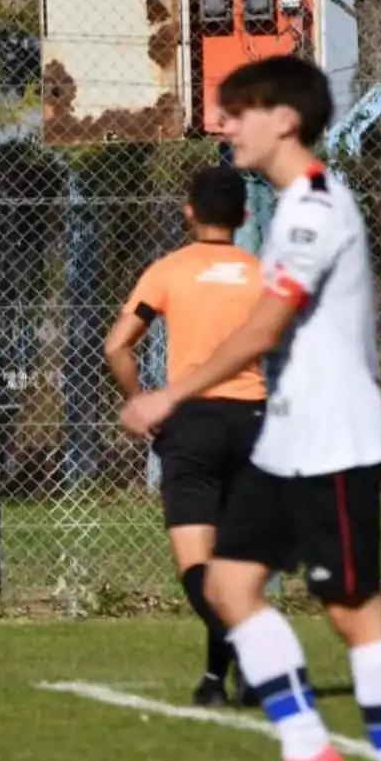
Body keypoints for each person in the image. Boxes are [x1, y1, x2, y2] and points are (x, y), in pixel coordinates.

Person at [122, 55, 381, 761]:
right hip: (284, 439)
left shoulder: (315, 208)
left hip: (332, 440)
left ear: (284, 120)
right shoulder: (289, 210)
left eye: (238, 110)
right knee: (228, 587)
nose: (223, 124)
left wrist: (170, 393)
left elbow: (264, 327)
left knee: (351, 610)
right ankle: (309, 760)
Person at [104, 165, 264, 708]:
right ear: (244, 215)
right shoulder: (260, 273)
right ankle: (218, 680)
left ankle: (248, 657)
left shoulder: (168, 271)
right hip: (253, 422)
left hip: (192, 423)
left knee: (198, 567)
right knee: (236, 567)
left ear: (188, 211)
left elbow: (116, 346)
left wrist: (142, 401)